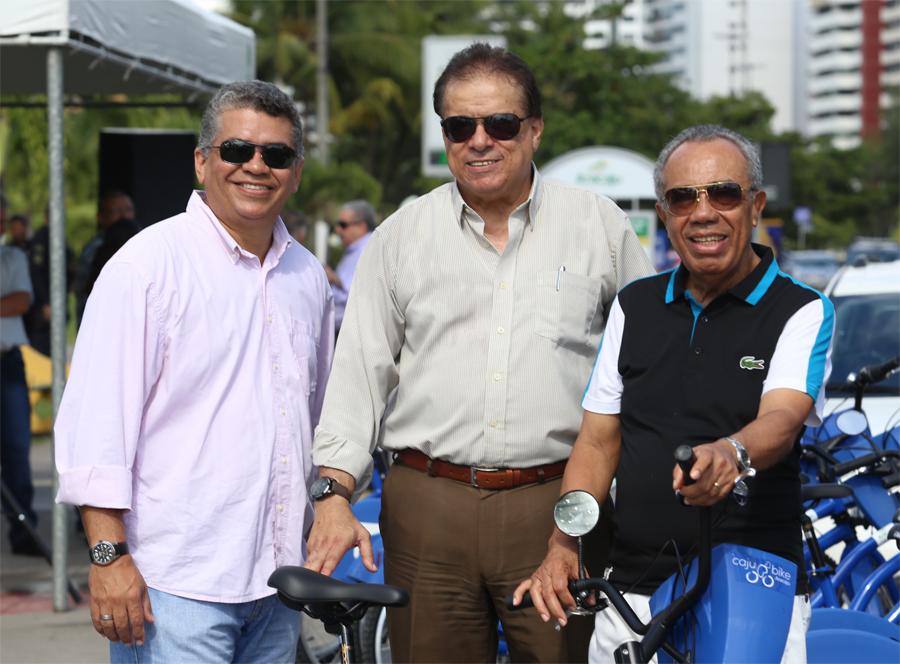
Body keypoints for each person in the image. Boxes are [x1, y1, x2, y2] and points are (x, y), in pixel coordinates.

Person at [306, 43, 653, 662]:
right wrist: (333, 494)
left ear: (535, 130)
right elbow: (359, 375)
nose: (480, 141)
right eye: (460, 126)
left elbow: (647, 366)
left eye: (501, 123)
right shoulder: (400, 237)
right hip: (428, 507)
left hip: (559, 508)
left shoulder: (599, 226)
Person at [513, 125, 834, 662]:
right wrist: (563, 543)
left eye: (724, 194)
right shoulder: (634, 305)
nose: (703, 213)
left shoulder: (801, 308)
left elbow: (782, 420)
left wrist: (731, 453)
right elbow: (597, 442)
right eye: (683, 198)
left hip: (753, 590)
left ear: (755, 206)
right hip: (631, 591)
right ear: (665, 215)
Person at [54, 80, 334, 662]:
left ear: (296, 173)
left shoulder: (307, 277)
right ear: (203, 162)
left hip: (278, 585)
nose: (256, 165)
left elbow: (317, 419)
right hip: (173, 591)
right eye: (237, 150)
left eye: (276, 154)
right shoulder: (146, 268)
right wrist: (107, 558)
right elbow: (97, 428)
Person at [1, 197, 39, 556]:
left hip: (7, 360)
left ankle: (24, 530)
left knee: (15, 446)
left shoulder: (13, 257)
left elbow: (21, 301)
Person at [74, 190, 136, 325]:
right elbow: (84, 291)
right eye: (115, 211)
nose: (123, 216)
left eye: (128, 210)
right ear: (100, 217)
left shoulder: (144, 242)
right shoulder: (93, 250)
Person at [325, 200, 375, 331]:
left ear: (362, 226)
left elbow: (359, 299)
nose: (338, 230)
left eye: (343, 225)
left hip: (352, 332)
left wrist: (334, 280)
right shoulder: (355, 249)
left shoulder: (368, 250)